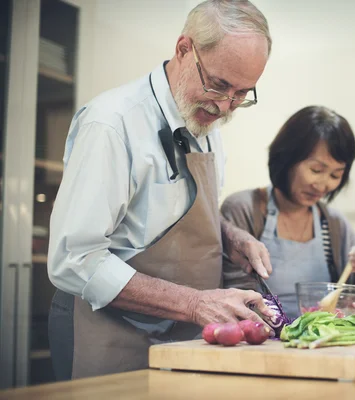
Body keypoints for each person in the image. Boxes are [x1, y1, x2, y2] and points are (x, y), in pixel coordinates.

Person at [47, 0, 275, 380]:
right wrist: (192, 303)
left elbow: (181, 211)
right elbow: (74, 260)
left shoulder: (207, 125)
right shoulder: (112, 123)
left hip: (178, 335)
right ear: (184, 49)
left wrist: (230, 235)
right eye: (218, 85)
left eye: (242, 93)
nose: (225, 106)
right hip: (104, 331)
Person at [220, 106, 355, 320]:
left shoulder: (334, 225)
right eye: (316, 170)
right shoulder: (243, 209)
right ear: (287, 159)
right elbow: (241, 304)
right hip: (259, 345)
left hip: (318, 347)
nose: (322, 185)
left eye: (335, 174)